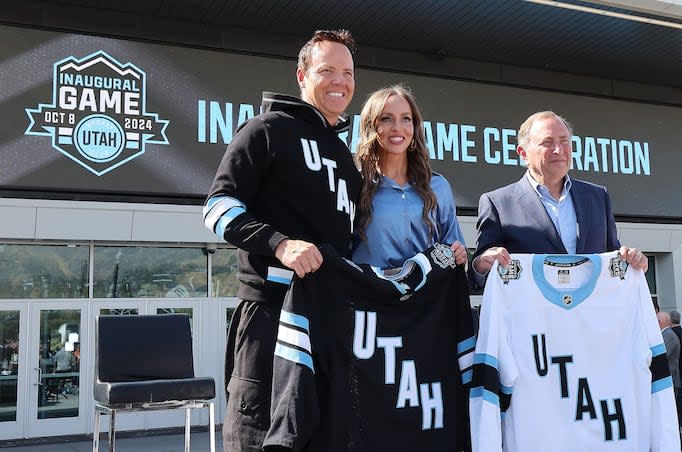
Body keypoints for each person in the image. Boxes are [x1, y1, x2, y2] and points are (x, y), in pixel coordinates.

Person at [203, 29, 362, 452]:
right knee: (259, 438)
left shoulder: (346, 158)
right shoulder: (265, 129)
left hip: (329, 322)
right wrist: (279, 243)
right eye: (327, 70)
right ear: (301, 75)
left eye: (347, 73)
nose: (339, 82)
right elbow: (217, 208)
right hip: (270, 315)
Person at [470, 111, 648, 281]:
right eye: (547, 142)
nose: (558, 150)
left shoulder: (597, 197)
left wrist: (632, 259)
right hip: (532, 311)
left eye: (565, 141)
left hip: (591, 310)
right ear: (524, 154)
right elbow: (480, 272)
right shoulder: (498, 203)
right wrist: (481, 264)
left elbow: (613, 259)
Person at [352, 84, 466, 268]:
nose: (398, 127)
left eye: (406, 119)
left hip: (426, 294)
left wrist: (459, 254)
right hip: (369, 293)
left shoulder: (438, 186)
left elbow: (452, 251)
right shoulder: (356, 185)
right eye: (386, 119)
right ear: (371, 126)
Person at [658, 311, 682, 451]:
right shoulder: (665, 334)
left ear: (661, 322)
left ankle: (678, 444)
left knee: (670, 416)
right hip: (667, 380)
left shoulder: (668, 336)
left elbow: (662, 356)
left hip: (670, 380)